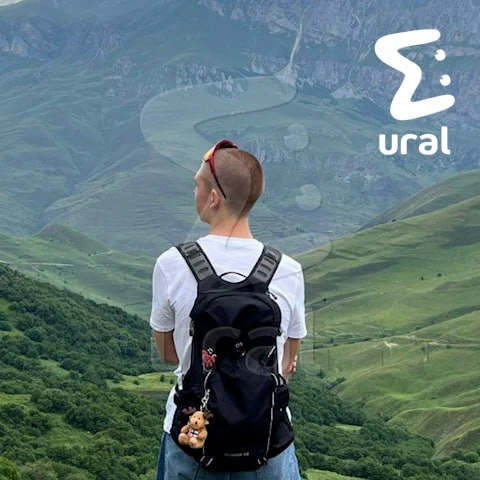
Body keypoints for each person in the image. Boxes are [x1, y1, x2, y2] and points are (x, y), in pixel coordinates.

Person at [150, 139, 307, 479]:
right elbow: (287, 363)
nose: (194, 192)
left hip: (193, 441)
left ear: (213, 198)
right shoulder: (288, 270)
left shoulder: (171, 264)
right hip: (268, 442)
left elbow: (168, 353)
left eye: (197, 185)